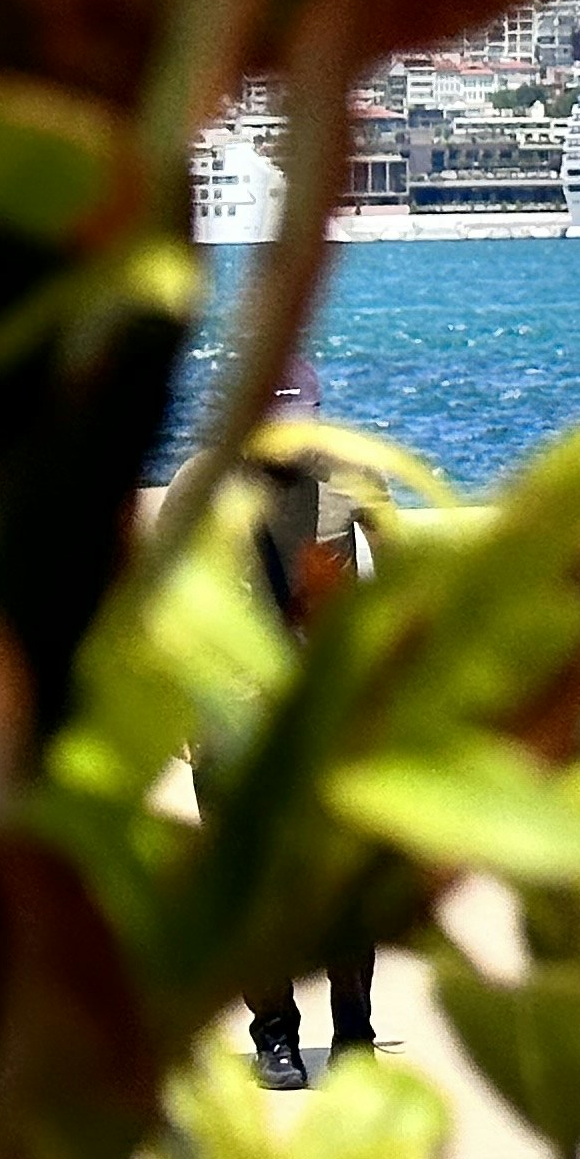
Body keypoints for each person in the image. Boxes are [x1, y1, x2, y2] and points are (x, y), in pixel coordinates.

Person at [175, 358, 377, 1090]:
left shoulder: (351, 473)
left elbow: (405, 578)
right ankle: (276, 1037)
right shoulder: (201, 482)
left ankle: (354, 1032)